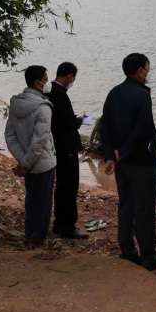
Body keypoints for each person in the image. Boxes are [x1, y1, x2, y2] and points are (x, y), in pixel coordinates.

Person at [100, 53, 156, 271]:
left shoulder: (114, 93)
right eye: (147, 69)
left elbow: (104, 126)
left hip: (122, 163)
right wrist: (123, 153)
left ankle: (127, 249)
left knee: (126, 205)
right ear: (140, 71)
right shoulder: (142, 95)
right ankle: (148, 256)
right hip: (141, 162)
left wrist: (111, 155)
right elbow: (142, 129)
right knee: (144, 209)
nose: (148, 73)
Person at [4, 65, 57, 249]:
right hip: (43, 164)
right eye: (45, 79)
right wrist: (26, 162)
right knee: (43, 202)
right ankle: (37, 239)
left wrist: (23, 160)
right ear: (37, 83)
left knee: (32, 200)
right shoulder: (43, 108)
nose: (48, 82)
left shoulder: (16, 104)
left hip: (28, 164)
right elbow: (40, 141)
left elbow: (10, 135)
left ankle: (30, 235)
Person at [48, 62, 88, 240]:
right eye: (73, 78)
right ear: (69, 76)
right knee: (69, 186)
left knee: (62, 186)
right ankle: (67, 227)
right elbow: (68, 123)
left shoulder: (49, 91)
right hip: (66, 148)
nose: (73, 81)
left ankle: (59, 223)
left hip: (57, 146)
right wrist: (80, 120)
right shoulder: (60, 94)